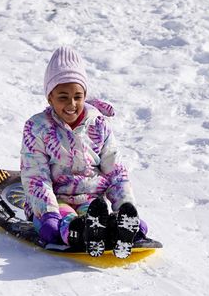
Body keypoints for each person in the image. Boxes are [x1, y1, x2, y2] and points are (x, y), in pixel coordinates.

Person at [20, 46, 146, 258]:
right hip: (56, 199)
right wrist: (48, 212)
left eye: (77, 96)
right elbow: (36, 176)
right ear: (49, 97)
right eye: (63, 97)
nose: (72, 104)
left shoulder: (98, 125)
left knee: (97, 217)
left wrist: (125, 206)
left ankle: (119, 228)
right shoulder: (38, 128)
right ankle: (80, 233)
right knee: (61, 223)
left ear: (85, 95)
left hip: (90, 199)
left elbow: (115, 171)